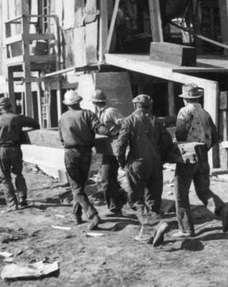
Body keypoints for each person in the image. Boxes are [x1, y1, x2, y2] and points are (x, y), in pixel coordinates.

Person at [173, 84, 228, 237]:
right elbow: (215, 136)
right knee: (203, 190)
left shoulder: (184, 111)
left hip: (188, 156)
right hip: (203, 156)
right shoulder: (205, 113)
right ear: (197, 97)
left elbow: (180, 135)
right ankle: (223, 210)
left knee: (181, 194)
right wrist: (204, 149)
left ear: (185, 98)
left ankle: (186, 229)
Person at [116, 94, 173, 245]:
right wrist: (160, 156)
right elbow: (167, 141)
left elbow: (120, 145)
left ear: (135, 106)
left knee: (135, 200)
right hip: (156, 164)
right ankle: (149, 234)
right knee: (153, 200)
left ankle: (157, 224)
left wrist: (122, 162)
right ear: (150, 106)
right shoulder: (157, 121)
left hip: (138, 164)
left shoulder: (129, 121)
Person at [58, 90, 109, 230]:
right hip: (86, 153)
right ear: (79, 101)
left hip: (70, 153)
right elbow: (100, 130)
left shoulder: (63, 117)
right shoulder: (87, 114)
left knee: (76, 186)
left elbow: (61, 139)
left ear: (67, 104)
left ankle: (92, 215)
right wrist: (113, 129)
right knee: (80, 185)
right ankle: (76, 215)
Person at [0, 97, 40, 211]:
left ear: (0, 108)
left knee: (6, 177)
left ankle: (12, 204)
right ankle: (22, 197)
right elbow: (35, 124)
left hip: (2, 150)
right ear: (10, 106)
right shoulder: (17, 118)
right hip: (15, 149)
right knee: (18, 174)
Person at [90, 89, 127, 217]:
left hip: (118, 148)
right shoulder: (98, 114)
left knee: (129, 177)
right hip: (108, 150)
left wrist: (118, 137)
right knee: (106, 178)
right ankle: (115, 207)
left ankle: (123, 204)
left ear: (95, 102)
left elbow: (126, 126)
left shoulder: (111, 112)